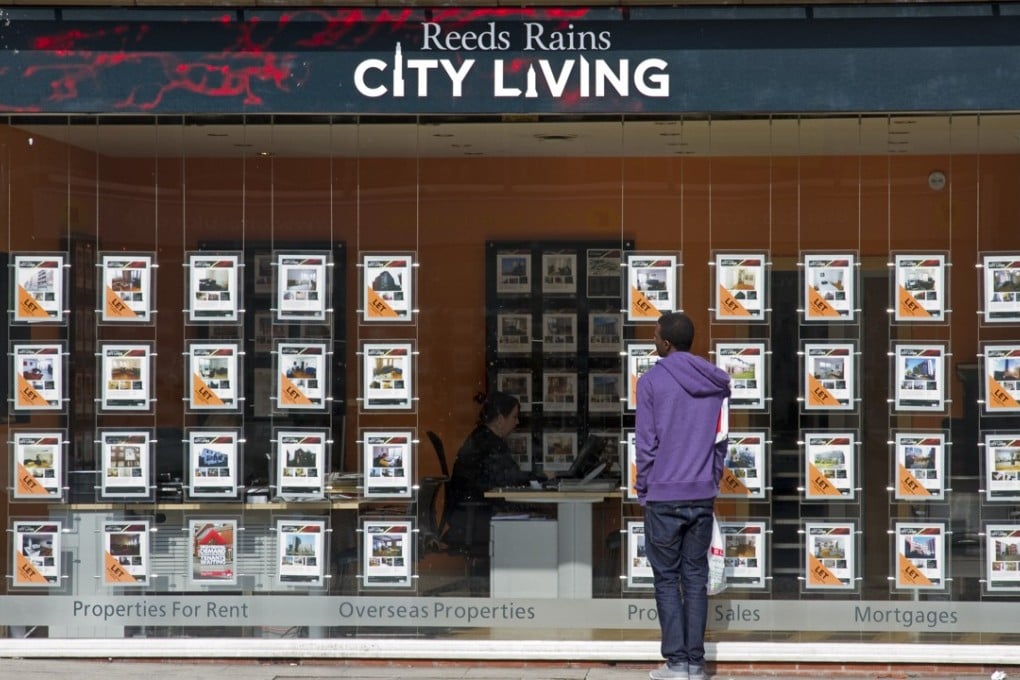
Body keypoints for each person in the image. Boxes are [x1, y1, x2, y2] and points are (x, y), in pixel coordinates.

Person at [635, 311, 731, 680]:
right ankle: (695, 663)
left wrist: (645, 486)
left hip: (663, 495)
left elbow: (646, 445)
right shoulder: (717, 383)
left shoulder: (651, 382)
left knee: (666, 580)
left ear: (667, 342)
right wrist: (711, 480)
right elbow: (721, 441)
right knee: (695, 578)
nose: (652, 341)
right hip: (701, 495)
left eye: (655, 336)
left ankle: (676, 664)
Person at [444, 391, 542, 547]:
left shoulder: (482, 438)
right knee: (541, 521)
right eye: (514, 417)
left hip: (470, 515)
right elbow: (509, 477)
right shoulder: (490, 444)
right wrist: (541, 477)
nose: (517, 422)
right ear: (500, 419)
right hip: (480, 517)